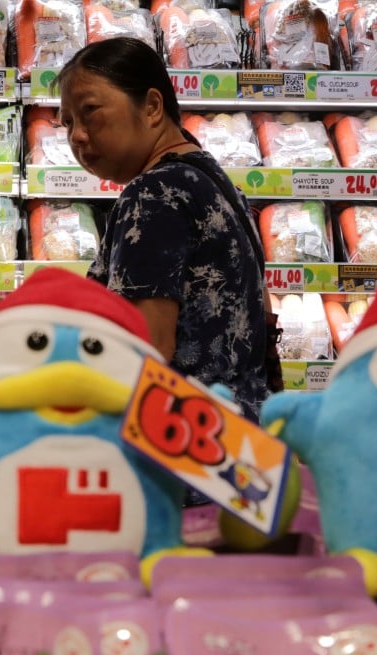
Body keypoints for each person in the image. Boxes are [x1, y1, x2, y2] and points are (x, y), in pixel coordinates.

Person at [57, 37, 269, 421]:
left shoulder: (154, 193)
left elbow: (144, 349)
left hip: (180, 442)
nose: (77, 135)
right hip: (237, 439)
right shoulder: (216, 182)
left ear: (152, 106)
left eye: (90, 112)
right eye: (68, 122)